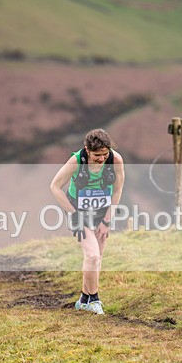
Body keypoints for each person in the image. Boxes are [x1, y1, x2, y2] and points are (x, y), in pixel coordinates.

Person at [50, 128, 125, 315]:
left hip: (102, 211)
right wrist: (73, 214)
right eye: (96, 155)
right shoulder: (76, 161)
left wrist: (107, 220)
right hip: (78, 210)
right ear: (87, 150)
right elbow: (55, 186)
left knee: (97, 258)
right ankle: (94, 300)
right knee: (92, 256)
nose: (101, 159)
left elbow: (117, 191)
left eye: (104, 154)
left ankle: (84, 299)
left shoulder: (115, 160)